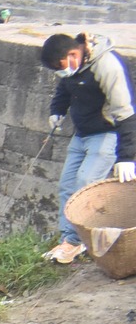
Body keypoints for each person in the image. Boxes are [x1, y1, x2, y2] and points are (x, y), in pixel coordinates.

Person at [40, 32, 136, 264]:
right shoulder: (73, 66)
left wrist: (126, 157)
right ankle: (68, 239)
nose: (61, 71)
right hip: (81, 134)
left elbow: (126, 112)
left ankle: (76, 242)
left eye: (60, 66)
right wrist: (57, 111)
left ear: (73, 54)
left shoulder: (107, 66)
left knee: (85, 183)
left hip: (106, 134)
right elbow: (65, 88)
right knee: (67, 185)